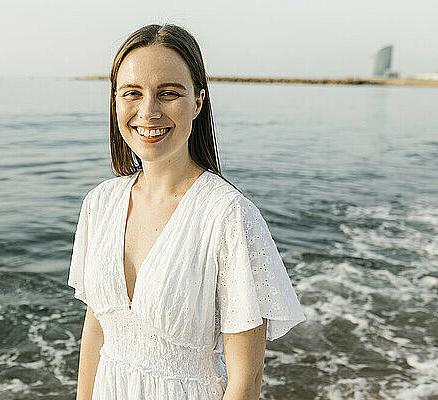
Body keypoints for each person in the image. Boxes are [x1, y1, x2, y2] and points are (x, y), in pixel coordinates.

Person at [67, 23, 306, 400]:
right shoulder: (99, 204)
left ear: (197, 102)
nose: (148, 111)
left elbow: (246, 380)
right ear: (115, 100)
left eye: (168, 93)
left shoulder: (228, 216)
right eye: (133, 92)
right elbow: (97, 328)